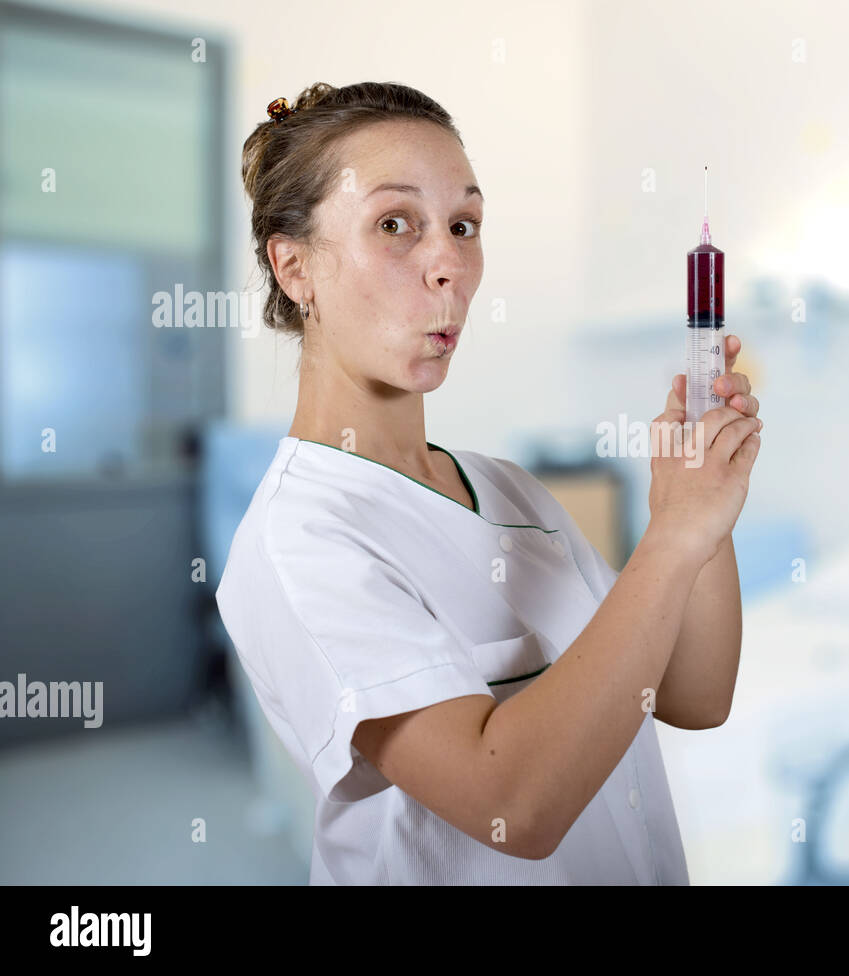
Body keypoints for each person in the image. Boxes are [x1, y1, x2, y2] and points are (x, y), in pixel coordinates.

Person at [215, 81, 763, 884]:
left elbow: (692, 694)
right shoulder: (300, 540)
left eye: (463, 226)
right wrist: (672, 536)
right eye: (395, 224)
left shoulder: (511, 494)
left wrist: (703, 518)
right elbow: (517, 804)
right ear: (293, 266)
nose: (449, 264)